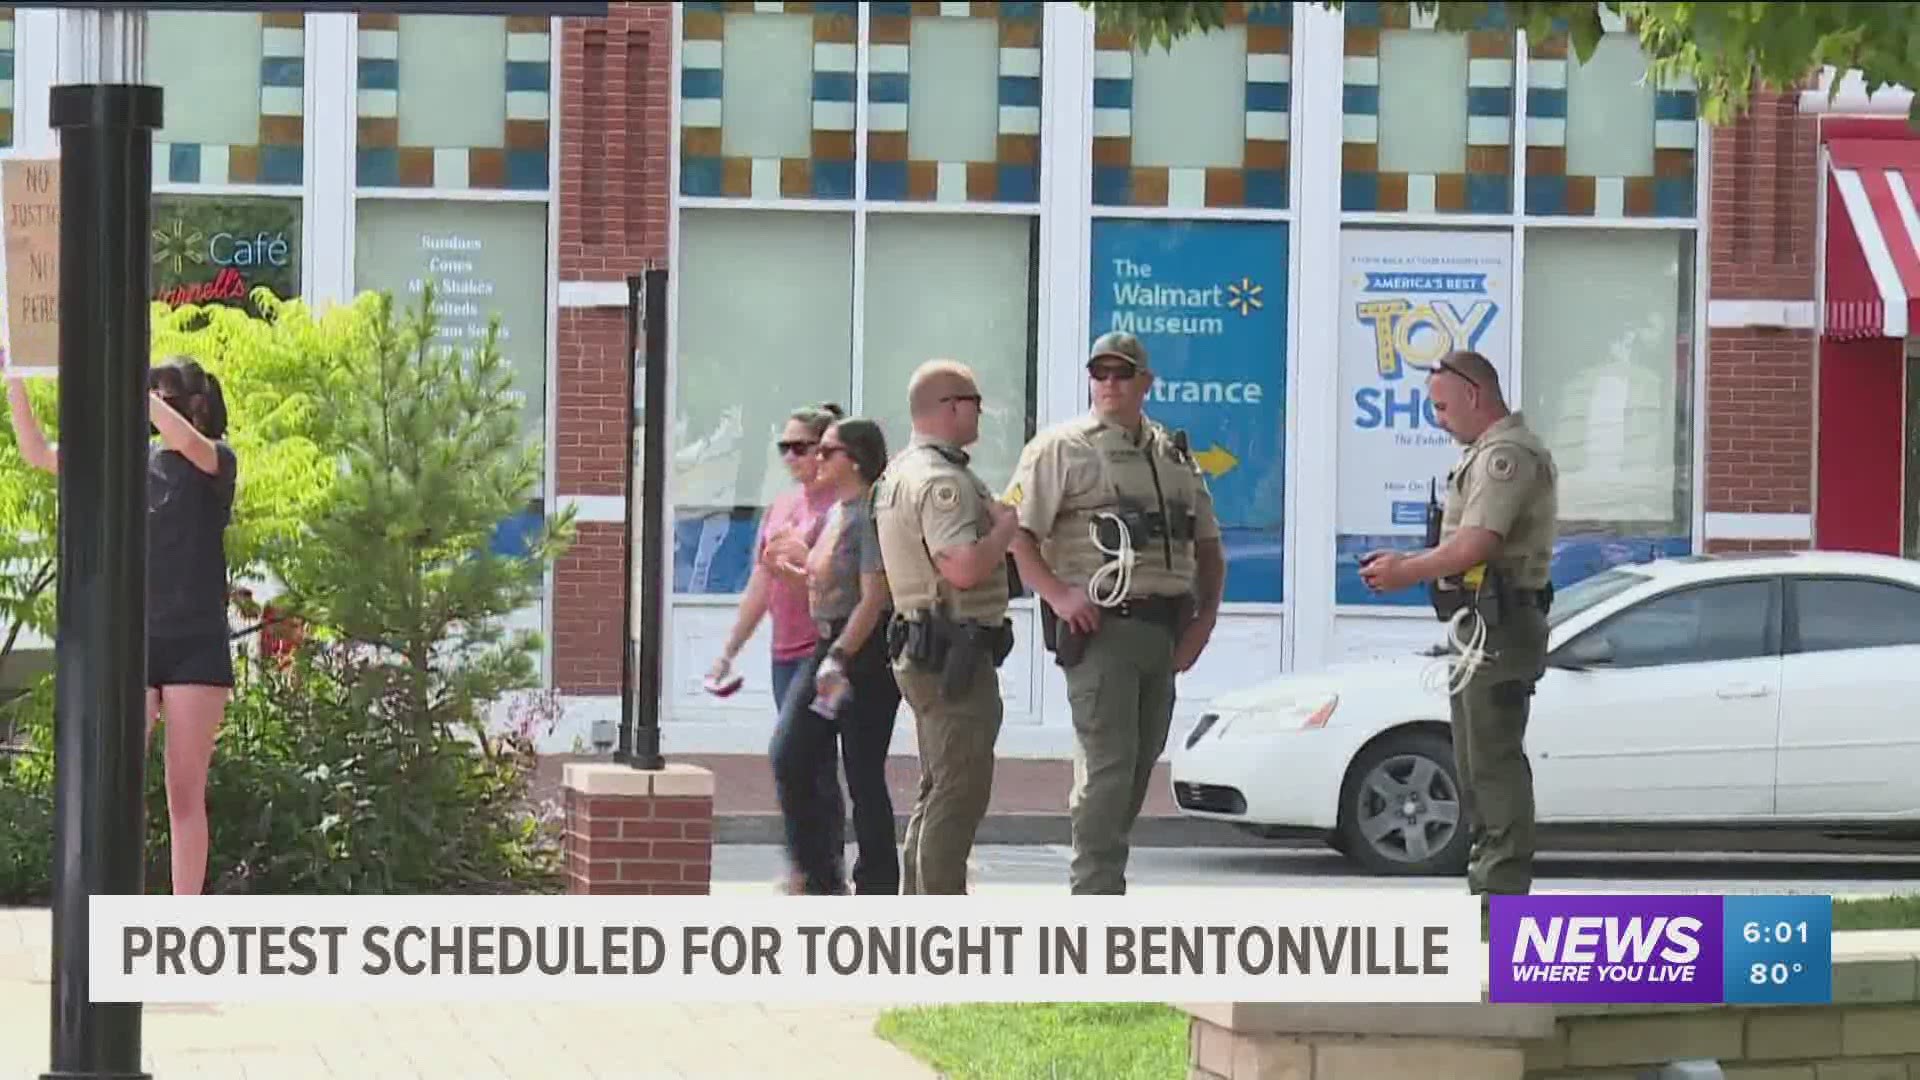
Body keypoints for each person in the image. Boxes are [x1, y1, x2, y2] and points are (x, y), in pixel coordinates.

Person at [7, 356, 239, 896]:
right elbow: (38, 454)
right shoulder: (132, 462)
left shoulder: (217, 461)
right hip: (133, 641)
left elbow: (184, 439)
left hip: (196, 647)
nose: (155, 402)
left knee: (183, 790)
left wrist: (134, 390)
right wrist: (15, 377)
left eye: (164, 391)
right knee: (116, 785)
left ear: (197, 402)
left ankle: (184, 926)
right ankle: (121, 912)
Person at [1004, 331, 1226, 895]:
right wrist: (1057, 594)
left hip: (1163, 629)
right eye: (1099, 373)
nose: (1109, 384)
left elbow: (1208, 546)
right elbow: (1015, 535)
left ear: (1145, 383)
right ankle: (1095, 896)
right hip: (1101, 628)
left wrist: (1203, 622)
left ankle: (1105, 876)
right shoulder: (1062, 448)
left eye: (1121, 374)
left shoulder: (1171, 452)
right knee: (1107, 768)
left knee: (1136, 767)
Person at [1358, 349, 1558, 898]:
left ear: (1475, 394)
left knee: (1492, 766)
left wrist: (1406, 570)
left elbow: (1478, 542)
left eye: (1443, 406)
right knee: (1475, 765)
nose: (1439, 419)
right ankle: (1489, 891)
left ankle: (1501, 902)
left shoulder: (1506, 456)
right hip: (1481, 624)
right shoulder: (1487, 454)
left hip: (1502, 623)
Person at [871, 359, 1019, 895]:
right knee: (958, 794)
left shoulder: (902, 473)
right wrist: (1004, 531)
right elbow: (960, 565)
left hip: (928, 648)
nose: (981, 412)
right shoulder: (940, 480)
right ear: (950, 407)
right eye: (975, 402)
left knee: (938, 790)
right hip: (952, 654)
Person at [768, 418, 902, 895]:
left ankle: (876, 885)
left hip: (860, 654)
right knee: (793, 754)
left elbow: (874, 596)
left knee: (862, 771)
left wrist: (840, 657)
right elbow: (823, 581)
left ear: (857, 461)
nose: (814, 459)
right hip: (830, 645)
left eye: (827, 451)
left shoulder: (868, 514)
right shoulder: (837, 513)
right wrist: (790, 570)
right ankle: (819, 873)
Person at [708, 404, 844, 716]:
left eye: (799, 448)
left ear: (824, 450)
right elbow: (761, 585)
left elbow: (848, 583)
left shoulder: (841, 508)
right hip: (784, 650)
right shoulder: (781, 506)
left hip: (824, 648)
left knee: (792, 752)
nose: (790, 457)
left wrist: (803, 559)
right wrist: (728, 653)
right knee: (802, 760)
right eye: (784, 448)